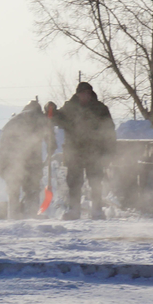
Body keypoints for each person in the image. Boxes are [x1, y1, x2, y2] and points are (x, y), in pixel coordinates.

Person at [49, 82, 116, 220]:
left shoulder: (100, 109)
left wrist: (109, 151)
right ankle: (74, 210)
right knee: (73, 182)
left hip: (95, 152)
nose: (86, 96)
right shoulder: (70, 108)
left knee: (96, 182)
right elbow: (57, 119)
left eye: (88, 93)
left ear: (91, 94)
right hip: (75, 152)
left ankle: (97, 210)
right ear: (78, 94)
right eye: (83, 93)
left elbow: (109, 131)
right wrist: (51, 111)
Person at [0, 99, 54, 219]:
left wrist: (2, 167)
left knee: (13, 190)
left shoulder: (13, 121)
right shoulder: (37, 118)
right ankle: (31, 214)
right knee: (32, 189)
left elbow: (3, 148)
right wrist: (51, 144)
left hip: (10, 160)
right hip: (27, 160)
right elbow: (48, 133)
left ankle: (13, 214)